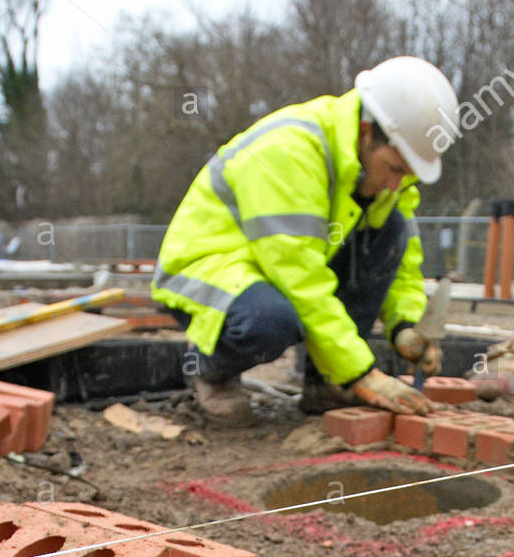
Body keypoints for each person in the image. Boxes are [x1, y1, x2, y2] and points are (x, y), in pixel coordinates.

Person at [152, 56, 460, 423]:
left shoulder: (385, 176)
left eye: (407, 174)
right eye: (394, 168)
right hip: (207, 269)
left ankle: (328, 382)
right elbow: (298, 276)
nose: (396, 184)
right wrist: (363, 373)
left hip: (277, 267)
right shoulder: (288, 152)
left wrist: (405, 326)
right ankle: (211, 371)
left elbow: (403, 261)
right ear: (366, 131)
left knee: (392, 226)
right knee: (271, 322)